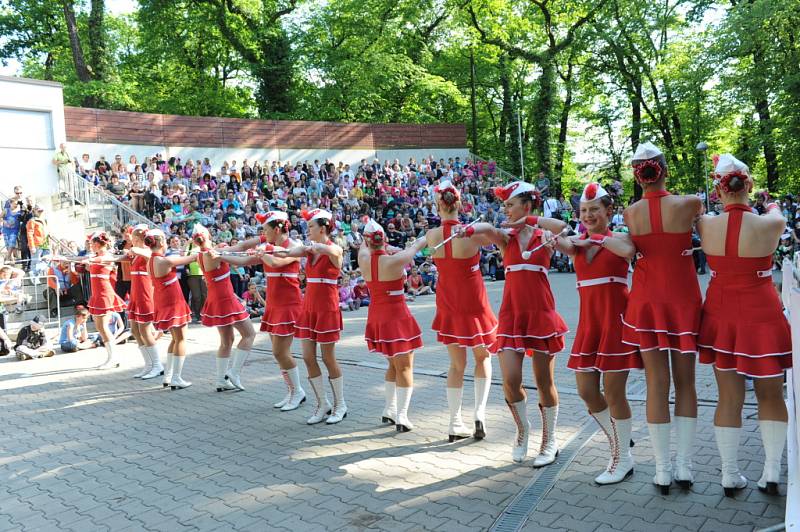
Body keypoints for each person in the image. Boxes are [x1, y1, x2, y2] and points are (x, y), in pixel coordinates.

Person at [696, 154, 792, 497]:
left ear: (719, 189)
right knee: (770, 393)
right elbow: (777, 213)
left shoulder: (705, 224)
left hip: (721, 312)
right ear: (748, 185)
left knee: (728, 396)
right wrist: (772, 203)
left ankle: (729, 474)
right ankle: (770, 474)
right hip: (762, 312)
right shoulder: (771, 223)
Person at [467, 181, 568, 465]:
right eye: (505, 205)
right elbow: (487, 231)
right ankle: (523, 430)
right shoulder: (506, 238)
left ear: (526, 205)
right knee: (511, 381)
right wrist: (470, 228)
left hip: (541, 314)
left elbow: (563, 226)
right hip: (512, 317)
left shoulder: (545, 234)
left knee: (544, 382)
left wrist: (531, 220)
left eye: (510, 205)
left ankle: (549, 441)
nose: (505, 210)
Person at [623, 142, 703, 494]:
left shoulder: (630, 213)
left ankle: (661, 469)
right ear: (664, 170)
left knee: (658, 384)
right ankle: (684, 465)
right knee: (686, 383)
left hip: (646, 302)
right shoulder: (690, 204)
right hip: (683, 299)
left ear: (637, 175)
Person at [555, 183, 640, 485]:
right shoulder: (578, 242)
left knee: (615, 393)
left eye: (595, 210)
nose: (588, 215)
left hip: (617, 324)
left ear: (609, 211)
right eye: (584, 211)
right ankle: (620, 440)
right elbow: (556, 235)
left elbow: (629, 251)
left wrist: (596, 237)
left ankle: (622, 458)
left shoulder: (618, 239)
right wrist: (571, 236)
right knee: (586, 390)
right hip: (589, 325)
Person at [426, 180, 498, 442]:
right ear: (459, 204)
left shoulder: (432, 236)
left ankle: (454, 421)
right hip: (474, 301)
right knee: (483, 357)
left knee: (457, 364)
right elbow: (499, 240)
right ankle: (479, 412)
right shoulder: (472, 233)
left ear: (438, 206)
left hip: (448, 302)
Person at [221, 211, 307, 413]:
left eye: (266, 230)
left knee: (280, 352)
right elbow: (242, 261)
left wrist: (264, 251)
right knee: (278, 353)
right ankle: (292, 390)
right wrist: (218, 255)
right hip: (274, 304)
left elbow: (277, 262)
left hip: (289, 305)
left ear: (277, 229)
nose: (264, 234)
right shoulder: (269, 248)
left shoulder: (293, 247)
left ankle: (298, 391)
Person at [277, 209, 347, 424]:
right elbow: (287, 253)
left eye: (311, 227)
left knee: (328, 358)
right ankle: (322, 403)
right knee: (307, 356)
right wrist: (269, 251)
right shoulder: (308, 250)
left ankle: (340, 404)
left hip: (327, 308)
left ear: (323, 228)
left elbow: (336, 253)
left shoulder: (333, 248)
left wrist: (320, 247)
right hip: (309, 308)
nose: (308, 231)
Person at [358, 219, 427, 431]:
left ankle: (389, 409)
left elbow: (366, 247)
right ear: (385, 239)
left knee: (392, 365)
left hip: (377, 316)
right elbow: (416, 247)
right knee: (405, 367)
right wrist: (429, 235)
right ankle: (402, 416)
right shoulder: (395, 260)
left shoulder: (363, 258)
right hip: (397, 316)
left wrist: (378, 244)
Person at [193, 225, 256, 392]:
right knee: (249, 334)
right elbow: (242, 249)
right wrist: (263, 239)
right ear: (208, 235)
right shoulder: (212, 254)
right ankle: (234, 372)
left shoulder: (202, 253)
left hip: (218, 298)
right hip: (225, 299)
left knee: (227, 341)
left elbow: (240, 248)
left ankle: (221, 380)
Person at [135, 229, 196, 389]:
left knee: (176, 339)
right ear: (161, 242)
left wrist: (189, 245)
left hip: (164, 301)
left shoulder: (152, 260)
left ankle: (169, 376)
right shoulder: (164, 261)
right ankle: (176, 377)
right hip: (173, 302)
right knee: (181, 339)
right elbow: (191, 258)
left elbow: (182, 256)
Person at [125, 224, 164, 379]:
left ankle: (157, 365)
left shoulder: (148, 251)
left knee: (145, 331)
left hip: (145, 294)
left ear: (138, 238)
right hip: (136, 294)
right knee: (135, 330)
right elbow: (118, 257)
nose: (130, 241)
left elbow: (150, 255)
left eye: (133, 238)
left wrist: (136, 250)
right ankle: (148, 365)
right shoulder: (135, 253)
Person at [84, 231, 127, 369]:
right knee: (99, 327)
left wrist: (89, 260)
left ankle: (113, 358)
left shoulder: (107, 256)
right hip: (96, 294)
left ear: (97, 243)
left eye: (92, 243)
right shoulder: (95, 256)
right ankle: (111, 357)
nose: (90, 245)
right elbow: (85, 261)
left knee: (103, 326)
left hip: (104, 294)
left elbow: (98, 261)